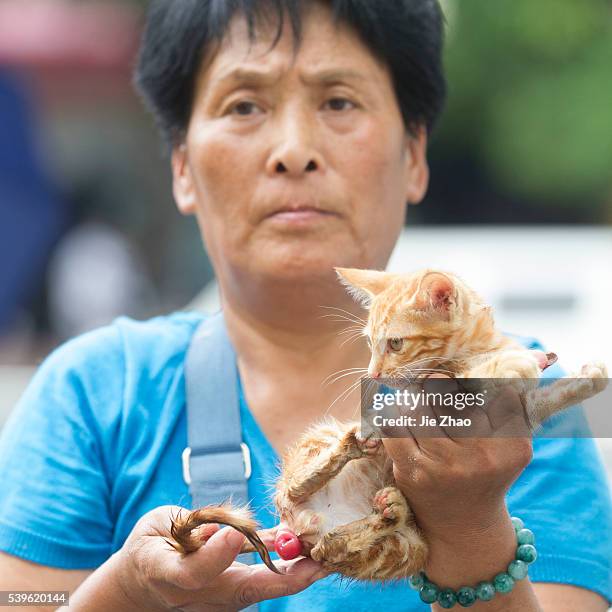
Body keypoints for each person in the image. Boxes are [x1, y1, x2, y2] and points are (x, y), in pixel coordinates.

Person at [0, 1, 610, 610]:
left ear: (415, 155)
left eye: (339, 101)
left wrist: (470, 527)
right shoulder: (99, 393)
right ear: (182, 166)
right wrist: (124, 594)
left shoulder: (518, 404)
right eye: (243, 106)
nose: (293, 150)